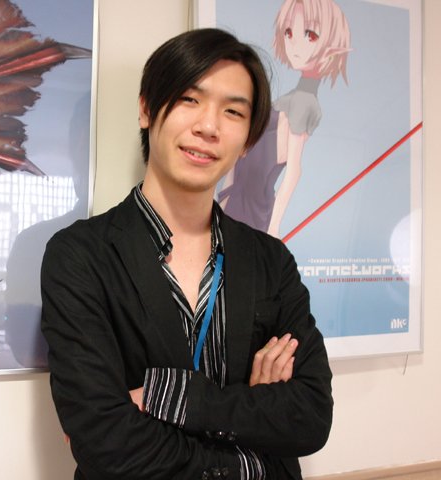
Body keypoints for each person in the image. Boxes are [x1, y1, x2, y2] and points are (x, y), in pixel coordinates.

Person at [41, 28, 333, 480]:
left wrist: (173, 397)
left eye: (233, 111)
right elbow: (105, 442)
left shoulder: (271, 261)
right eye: (189, 99)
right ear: (146, 109)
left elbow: (309, 417)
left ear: (249, 139)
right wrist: (251, 443)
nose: (209, 127)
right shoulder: (80, 256)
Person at [218, 0, 351, 238]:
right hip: (239, 195)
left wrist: (274, 228)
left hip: (251, 204)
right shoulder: (291, 99)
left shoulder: (303, 103)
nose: (294, 43)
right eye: (289, 32)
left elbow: (293, 170)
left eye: (309, 35)